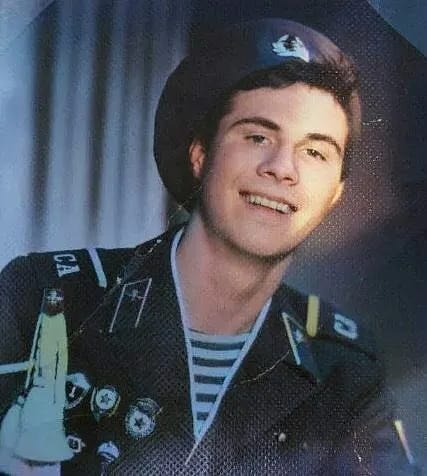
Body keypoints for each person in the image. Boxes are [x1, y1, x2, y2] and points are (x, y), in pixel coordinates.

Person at [0, 18, 420, 475]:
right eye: (257, 136)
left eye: (315, 152)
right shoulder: (44, 298)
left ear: (334, 194)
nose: (283, 168)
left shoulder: (344, 370)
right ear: (201, 155)